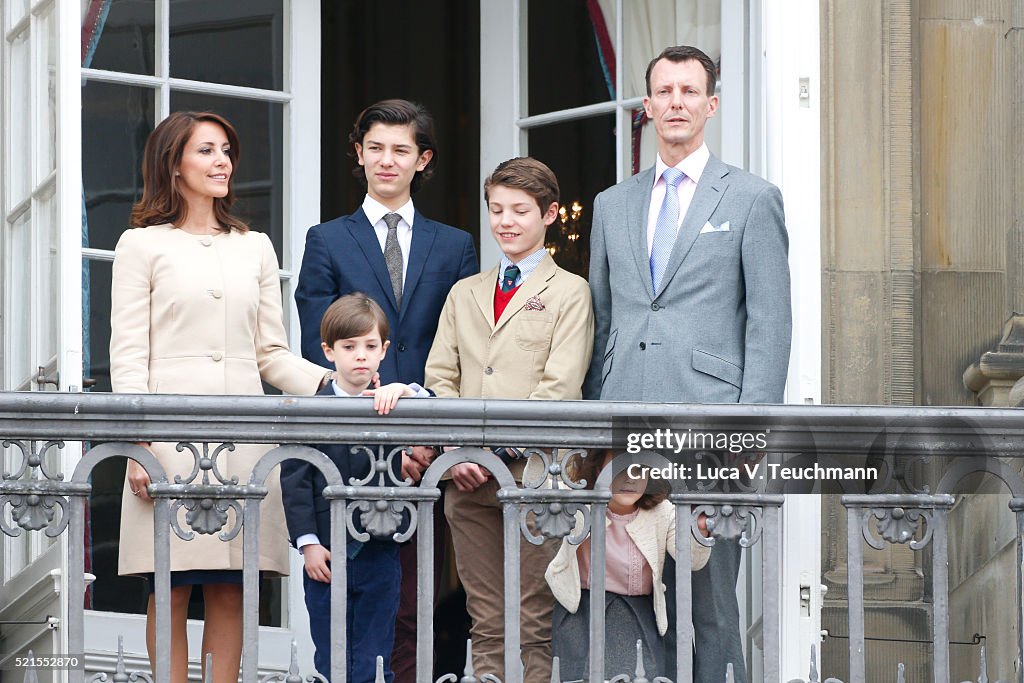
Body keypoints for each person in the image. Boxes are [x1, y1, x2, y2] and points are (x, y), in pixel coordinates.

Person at [584, 45, 792, 683]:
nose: (676, 102)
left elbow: (770, 321)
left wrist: (749, 428)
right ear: (646, 107)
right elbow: (603, 317)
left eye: (688, 90)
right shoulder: (611, 203)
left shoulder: (753, 198)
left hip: (709, 428)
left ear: (711, 104)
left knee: (707, 600)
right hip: (624, 426)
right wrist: (592, 427)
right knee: (621, 595)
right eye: (664, 91)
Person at [111, 111, 334, 683]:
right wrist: (138, 445)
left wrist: (334, 385)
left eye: (227, 151)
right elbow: (129, 356)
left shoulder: (254, 246)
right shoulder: (140, 245)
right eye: (207, 151)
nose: (222, 162)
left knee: (232, 590)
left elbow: (272, 355)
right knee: (171, 588)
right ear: (174, 163)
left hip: (242, 444)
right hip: (167, 441)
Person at [294, 99, 477, 683]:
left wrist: (428, 432)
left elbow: (460, 345)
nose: (386, 161)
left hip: (423, 445)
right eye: (375, 148)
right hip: (347, 445)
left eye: (401, 150)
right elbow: (314, 343)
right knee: (344, 599)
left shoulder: (454, 245)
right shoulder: (326, 240)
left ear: (423, 159)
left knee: (414, 598)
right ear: (359, 154)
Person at [424, 156, 595, 681]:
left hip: (535, 476)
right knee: (486, 619)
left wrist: (495, 456)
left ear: (547, 214)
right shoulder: (465, 292)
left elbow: (560, 387)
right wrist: (459, 455)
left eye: (519, 210)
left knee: (533, 619)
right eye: (496, 209)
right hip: (467, 481)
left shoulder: (571, 291)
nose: (505, 221)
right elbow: (439, 378)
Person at [281, 293, 430, 683]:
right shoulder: (311, 409)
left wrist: (407, 392)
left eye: (369, 346)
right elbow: (295, 478)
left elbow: (433, 404)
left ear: (383, 350)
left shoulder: (392, 402)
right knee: (331, 654)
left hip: (380, 551)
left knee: (375, 655)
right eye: (349, 347)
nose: (359, 356)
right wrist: (307, 542)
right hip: (326, 554)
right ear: (329, 352)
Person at [545, 450, 711, 681]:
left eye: (639, 469)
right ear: (597, 470)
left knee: (640, 675)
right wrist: (538, 453)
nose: (630, 478)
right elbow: (539, 489)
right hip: (582, 612)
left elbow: (691, 559)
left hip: (638, 613)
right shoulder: (581, 504)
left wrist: (700, 532)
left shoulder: (663, 512)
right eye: (619, 467)